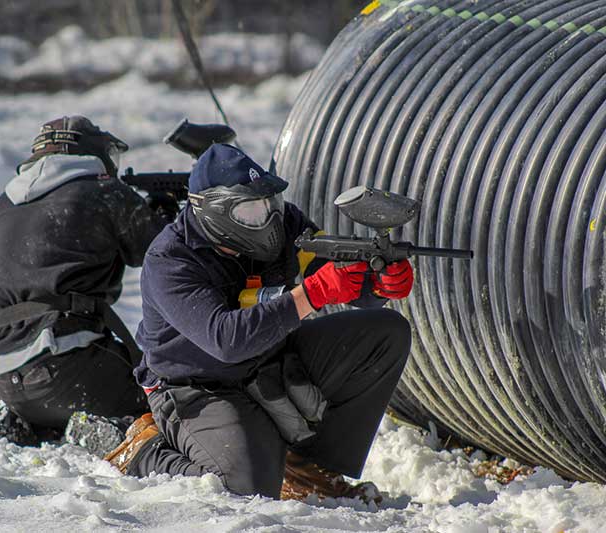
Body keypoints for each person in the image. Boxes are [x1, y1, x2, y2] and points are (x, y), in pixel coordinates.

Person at [105, 144, 413, 502]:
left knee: (385, 334)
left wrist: (375, 283)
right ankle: (146, 452)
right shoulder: (171, 260)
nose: (267, 218)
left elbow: (330, 271)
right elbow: (227, 340)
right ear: (214, 211)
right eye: (250, 211)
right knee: (244, 488)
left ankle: (307, 467)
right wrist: (310, 295)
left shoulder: (285, 224)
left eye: (270, 203)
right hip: (197, 388)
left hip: (271, 358)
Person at [0, 115, 177, 447]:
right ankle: (108, 428)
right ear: (91, 153)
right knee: (168, 394)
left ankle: (21, 420)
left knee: (56, 393)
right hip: (70, 366)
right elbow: (165, 253)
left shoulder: (2, 204)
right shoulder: (102, 190)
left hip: (4, 374)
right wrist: (166, 216)